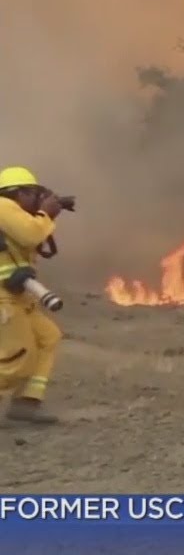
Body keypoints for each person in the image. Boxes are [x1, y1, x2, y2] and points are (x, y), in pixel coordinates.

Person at [0, 166, 67, 424]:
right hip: (4, 296)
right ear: (17, 193)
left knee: (48, 337)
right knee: (18, 357)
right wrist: (46, 213)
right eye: (33, 193)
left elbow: (34, 237)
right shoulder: (4, 206)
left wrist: (46, 215)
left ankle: (26, 402)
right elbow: (31, 234)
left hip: (19, 293)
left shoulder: (16, 214)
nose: (37, 198)